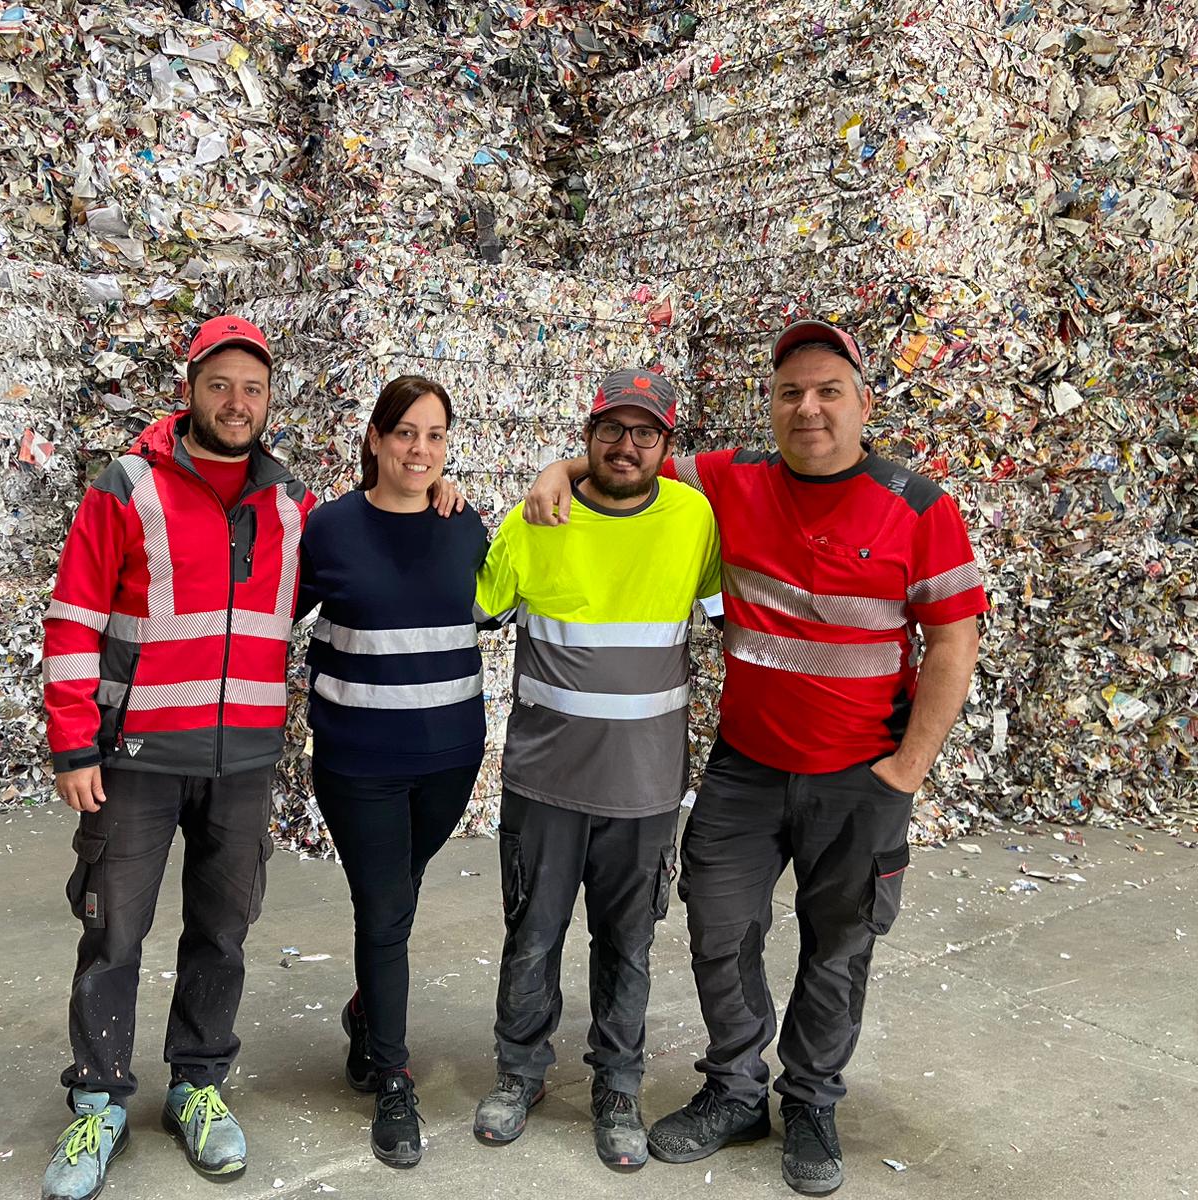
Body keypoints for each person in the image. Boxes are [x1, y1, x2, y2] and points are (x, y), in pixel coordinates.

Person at [524, 319, 987, 1196]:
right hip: (746, 768)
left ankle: (810, 1101)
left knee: (838, 946)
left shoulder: (918, 505)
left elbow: (954, 642)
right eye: (789, 393)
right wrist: (558, 469)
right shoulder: (729, 479)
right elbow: (628, 462)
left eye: (828, 391)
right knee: (718, 927)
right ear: (770, 405)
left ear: (864, 404)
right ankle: (736, 1089)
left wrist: (906, 772)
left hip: (860, 777)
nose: (808, 408)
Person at [37, 316, 315, 1199]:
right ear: (190, 390)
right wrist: (74, 744)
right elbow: (73, 619)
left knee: (223, 933)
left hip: (242, 762)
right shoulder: (127, 487)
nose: (237, 403)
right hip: (137, 757)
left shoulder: (292, 503)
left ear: (269, 401)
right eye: (220, 385)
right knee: (113, 932)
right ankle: (98, 1098)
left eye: (253, 389)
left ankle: (197, 1084)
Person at [470, 369, 722, 1171]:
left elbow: (729, 613)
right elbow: (477, 609)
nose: (626, 446)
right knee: (531, 937)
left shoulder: (693, 519)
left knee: (628, 945)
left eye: (644, 433)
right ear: (587, 437)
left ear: (666, 445)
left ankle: (618, 1087)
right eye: (611, 430)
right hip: (545, 784)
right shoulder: (539, 517)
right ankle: (519, 1073)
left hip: (645, 791)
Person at [294, 375, 489, 1169]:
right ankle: (394, 1076)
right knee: (384, 913)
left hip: (451, 756)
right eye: (405, 432)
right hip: (359, 761)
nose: (420, 449)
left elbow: (499, 603)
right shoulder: (330, 529)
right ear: (374, 438)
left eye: (435, 435)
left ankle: (366, 1011)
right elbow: (276, 610)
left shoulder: (463, 523)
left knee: (397, 897)